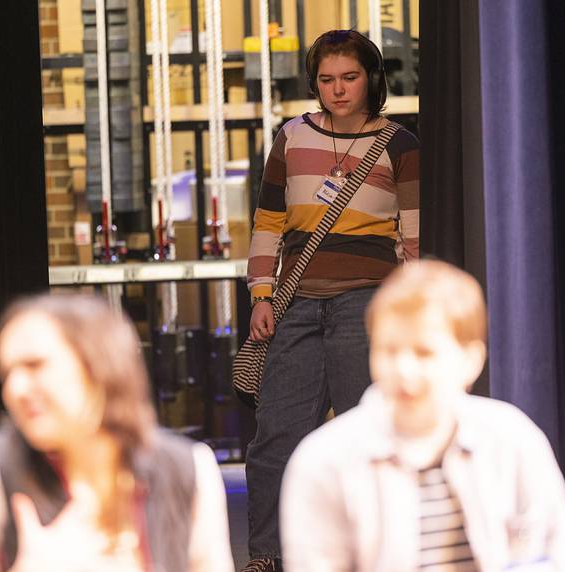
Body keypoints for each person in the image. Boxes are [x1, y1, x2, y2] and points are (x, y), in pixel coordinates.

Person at [281, 260, 565, 572]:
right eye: (388, 350)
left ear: (471, 359)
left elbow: (561, 558)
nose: (404, 370)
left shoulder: (512, 441)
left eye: (424, 352)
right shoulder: (325, 460)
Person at [243, 29, 419, 572]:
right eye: (326, 79)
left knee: (369, 437)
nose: (338, 90)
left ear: (371, 79)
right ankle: (268, 558)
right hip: (294, 301)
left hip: (368, 302)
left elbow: (412, 236)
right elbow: (269, 220)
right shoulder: (292, 137)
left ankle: (376, 556)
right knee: (275, 439)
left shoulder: (399, 144)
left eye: (349, 77)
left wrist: (410, 313)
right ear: (313, 82)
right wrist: (261, 293)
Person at [0, 294, 234, 572]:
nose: (15, 389)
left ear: (98, 365)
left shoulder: (186, 470)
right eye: (7, 374)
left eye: (35, 365)